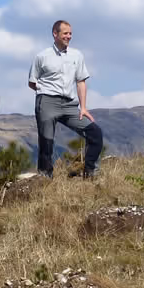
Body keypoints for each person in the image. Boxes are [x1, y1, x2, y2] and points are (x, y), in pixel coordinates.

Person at [28, 19, 104, 178]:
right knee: (46, 143)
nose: (69, 36)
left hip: (70, 105)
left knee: (95, 133)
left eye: (70, 33)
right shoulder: (42, 56)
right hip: (47, 102)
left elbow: (81, 81)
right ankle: (44, 179)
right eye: (65, 33)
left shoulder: (77, 55)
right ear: (55, 34)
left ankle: (91, 174)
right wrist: (45, 93)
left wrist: (83, 107)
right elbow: (32, 82)